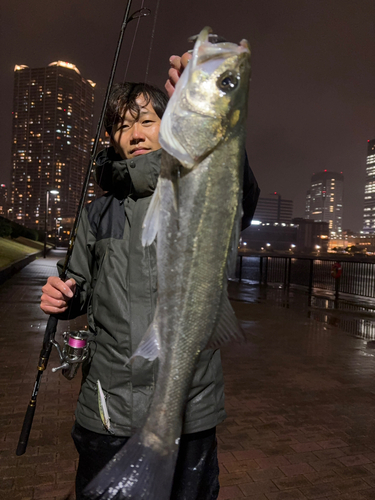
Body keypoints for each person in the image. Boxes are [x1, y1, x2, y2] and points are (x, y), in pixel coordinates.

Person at [40, 55, 259, 500]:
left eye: (148, 120)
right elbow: (76, 285)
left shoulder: (191, 187)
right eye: (122, 126)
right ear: (111, 139)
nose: (136, 134)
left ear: (169, 122)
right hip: (108, 408)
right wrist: (62, 297)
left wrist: (207, 112)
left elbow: (238, 191)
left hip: (188, 408)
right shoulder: (97, 213)